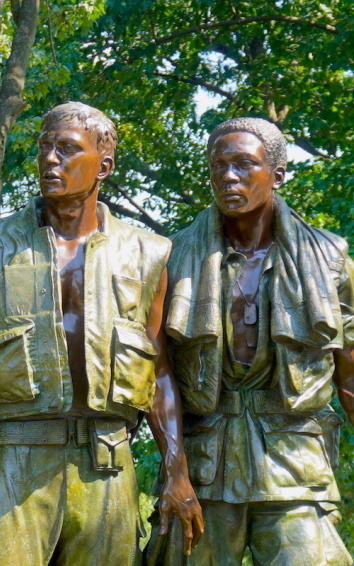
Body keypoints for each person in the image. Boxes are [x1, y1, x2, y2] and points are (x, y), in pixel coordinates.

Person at [0, 102, 203, 565]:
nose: (50, 160)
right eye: (44, 148)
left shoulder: (147, 253)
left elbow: (158, 372)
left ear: (105, 165)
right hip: (14, 458)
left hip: (107, 465)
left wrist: (177, 473)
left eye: (68, 149)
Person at [145, 117, 354, 565]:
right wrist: (174, 472)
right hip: (205, 463)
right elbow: (155, 371)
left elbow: (350, 371)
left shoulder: (329, 259)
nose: (228, 177)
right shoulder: (174, 257)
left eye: (244, 164)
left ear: (277, 174)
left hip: (293, 459)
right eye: (218, 166)